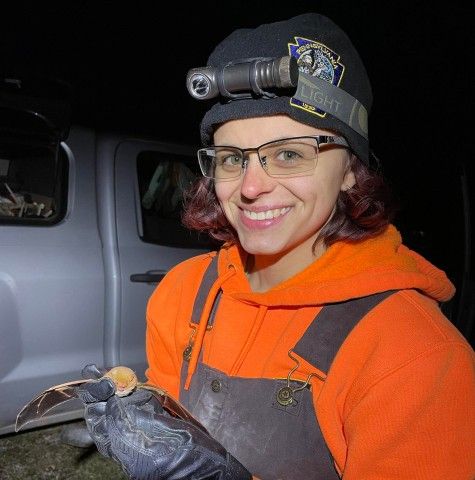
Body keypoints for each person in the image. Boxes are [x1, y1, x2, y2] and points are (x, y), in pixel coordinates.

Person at [76, 12, 475, 480]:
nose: (250, 187)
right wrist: (145, 422)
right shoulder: (183, 292)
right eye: (231, 158)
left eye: (288, 154)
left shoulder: (414, 355)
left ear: (350, 170)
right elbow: (170, 419)